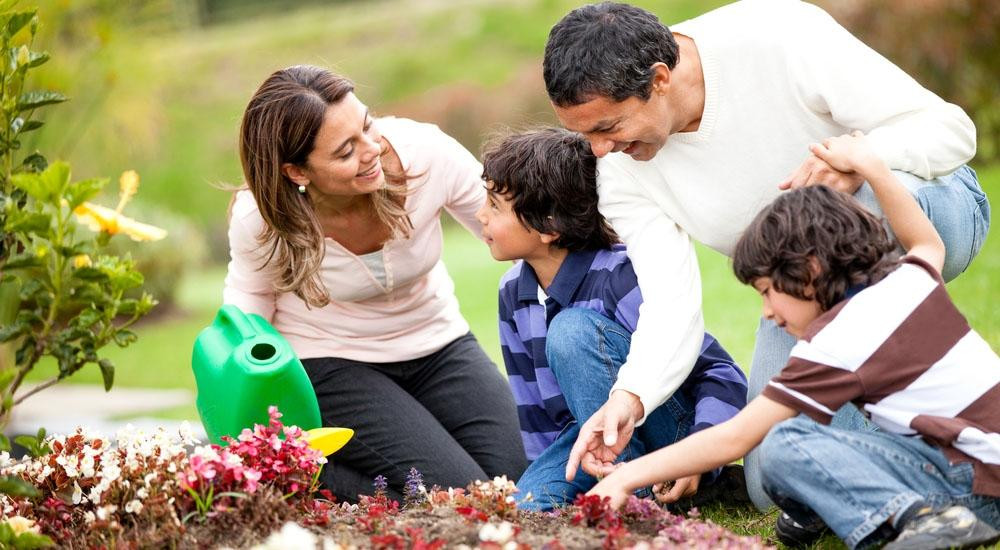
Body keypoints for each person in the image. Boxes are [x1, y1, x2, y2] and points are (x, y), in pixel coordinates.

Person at [542, 0, 990, 512]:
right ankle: (928, 463)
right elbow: (670, 302)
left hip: (929, 210)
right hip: (800, 290)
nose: (599, 150)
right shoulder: (621, 171)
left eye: (608, 127)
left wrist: (865, 162)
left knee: (852, 209)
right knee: (775, 490)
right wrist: (631, 396)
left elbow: (951, 129)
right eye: (585, 136)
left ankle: (942, 453)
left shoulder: (777, 35)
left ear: (660, 79)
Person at [587, 132, 1000, 550]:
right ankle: (836, 512)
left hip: (973, 487)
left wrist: (627, 475)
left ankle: (929, 520)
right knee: (818, 454)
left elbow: (735, 438)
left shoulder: (838, 340)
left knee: (783, 445)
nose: (766, 310)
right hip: (980, 465)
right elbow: (928, 242)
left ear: (810, 270)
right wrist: (872, 166)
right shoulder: (908, 279)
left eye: (767, 290)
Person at [224, 65, 526, 502]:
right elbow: (248, 301)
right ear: (296, 172)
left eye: (368, 126)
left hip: (438, 344)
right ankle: (302, 473)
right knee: (460, 497)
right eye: (346, 151)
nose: (371, 150)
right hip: (332, 361)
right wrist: (255, 392)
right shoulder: (261, 218)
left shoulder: (425, 154)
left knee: (518, 482)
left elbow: (509, 227)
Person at [476, 128, 747, 510]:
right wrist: (544, 476)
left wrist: (698, 454)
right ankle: (618, 495)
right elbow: (537, 414)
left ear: (549, 227)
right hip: (586, 445)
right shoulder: (513, 293)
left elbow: (722, 374)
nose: (479, 215)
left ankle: (638, 501)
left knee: (570, 331)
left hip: (671, 441)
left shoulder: (619, 276)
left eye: (494, 205)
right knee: (524, 510)